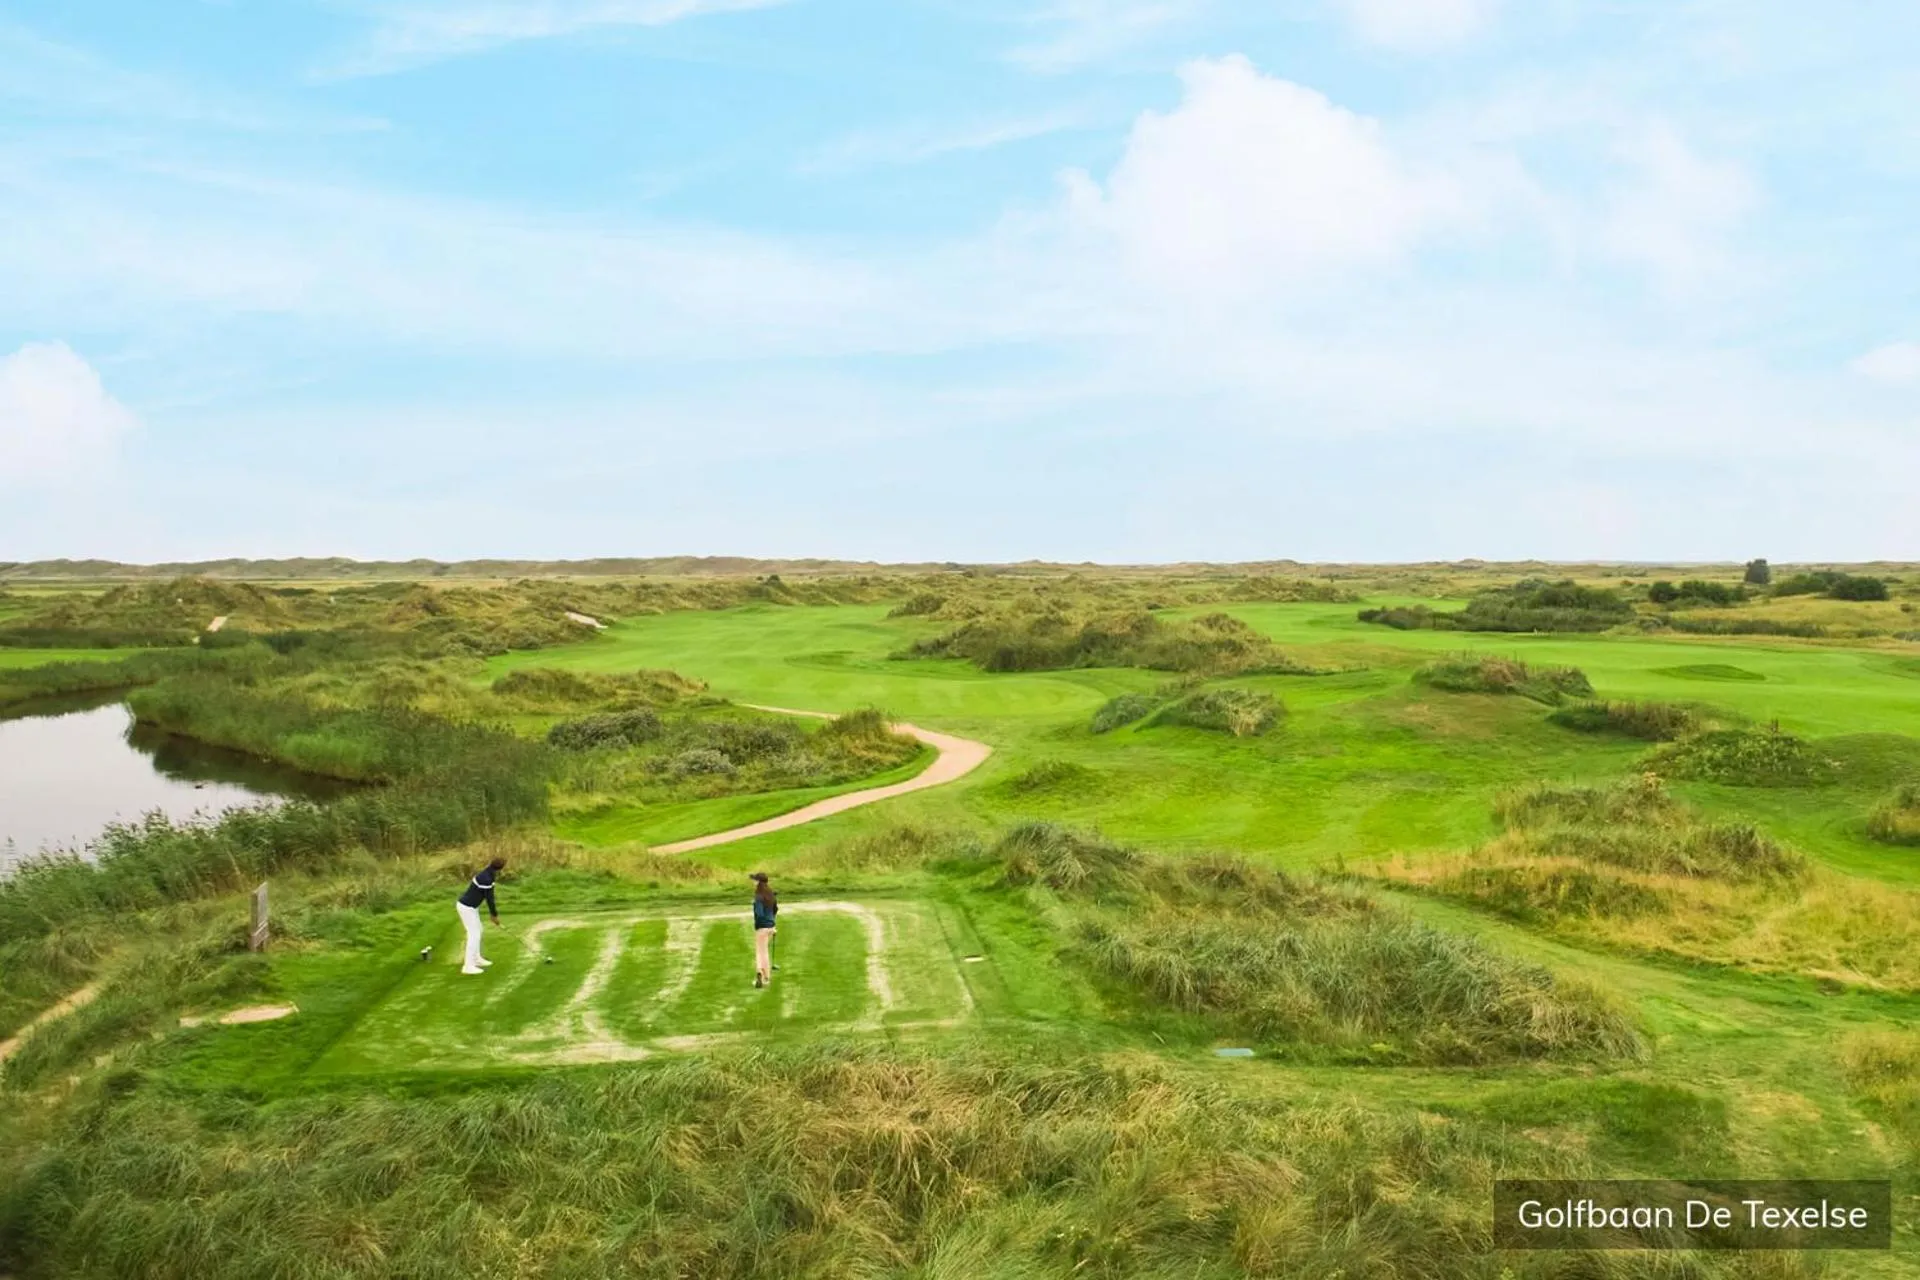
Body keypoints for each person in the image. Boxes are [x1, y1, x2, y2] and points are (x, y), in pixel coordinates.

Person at [457, 857, 505, 975]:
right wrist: (494, 915)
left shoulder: (489, 873)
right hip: (466, 908)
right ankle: (468, 966)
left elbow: (490, 896)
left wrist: (493, 914)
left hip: (472, 908)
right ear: (500, 869)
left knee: (479, 930)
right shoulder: (486, 878)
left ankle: (476, 959)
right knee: (474, 935)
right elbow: (490, 899)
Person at [751, 872, 778, 988]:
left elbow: (759, 913)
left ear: (759, 882)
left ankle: (761, 974)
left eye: (755, 880)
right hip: (771, 927)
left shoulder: (758, 897)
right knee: (764, 951)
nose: (753, 882)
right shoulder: (771, 894)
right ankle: (765, 976)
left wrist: (758, 925)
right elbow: (775, 910)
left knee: (760, 952)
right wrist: (772, 923)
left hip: (762, 927)